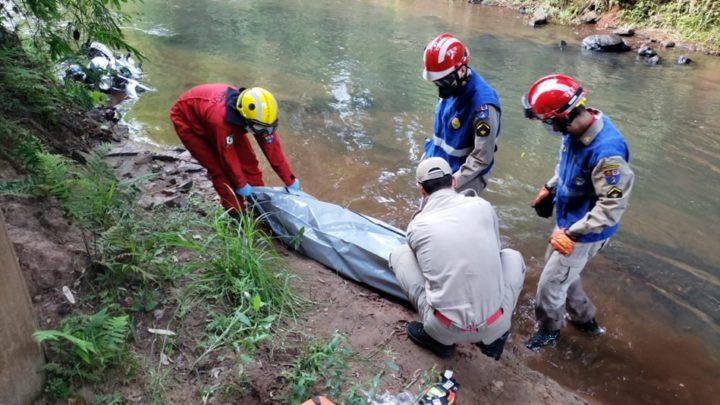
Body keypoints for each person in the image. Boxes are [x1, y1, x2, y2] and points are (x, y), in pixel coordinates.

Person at [522, 74, 635, 351]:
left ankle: (550, 333)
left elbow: (611, 208)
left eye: (548, 121)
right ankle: (586, 322)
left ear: (563, 117)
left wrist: (573, 233)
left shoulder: (607, 154)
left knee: (549, 287)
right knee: (563, 276)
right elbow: (566, 168)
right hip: (568, 221)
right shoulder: (574, 131)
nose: (548, 127)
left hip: (584, 231)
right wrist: (550, 188)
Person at [389, 157, 526, 359]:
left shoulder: (417, 226)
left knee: (400, 254)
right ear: (453, 181)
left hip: (444, 327)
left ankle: (438, 341)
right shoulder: (483, 207)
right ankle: (495, 339)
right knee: (512, 257)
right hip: (495, 322)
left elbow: (425, 266)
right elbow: (495, 253)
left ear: (421, 189)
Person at [169, 84, 300, 215]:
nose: (264, 132)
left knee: (249, 163)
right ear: (245, 118)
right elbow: (226, 156)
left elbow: (272, 147)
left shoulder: (262, 118)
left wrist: (290, 180)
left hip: (219, 118)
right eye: (259, 129)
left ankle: (258, 204)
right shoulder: (220, 121)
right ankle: (236, 213)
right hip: (188, 120)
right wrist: (241, 184)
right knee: (219, 170)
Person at [421, 33, 501, 196]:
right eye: (436, 82)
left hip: (463, 178)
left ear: (462, 70)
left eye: (442, 81)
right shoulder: (451, 86)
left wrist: (451, 183)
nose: (439, 86)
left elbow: (481, 158)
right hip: (439, 170)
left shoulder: (483, 108)